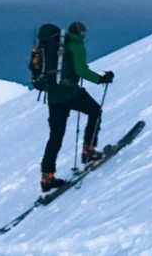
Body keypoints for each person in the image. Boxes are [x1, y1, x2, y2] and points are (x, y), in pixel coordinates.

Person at [40, 21, 114, 192]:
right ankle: (89, 151)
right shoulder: (75, 45)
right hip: (70, 92)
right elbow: (80, 70)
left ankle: (47, 177)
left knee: (56, 135)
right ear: (81, 33)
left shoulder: (55, 47)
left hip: (53, 97)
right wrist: (101, 79)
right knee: (95, 111)